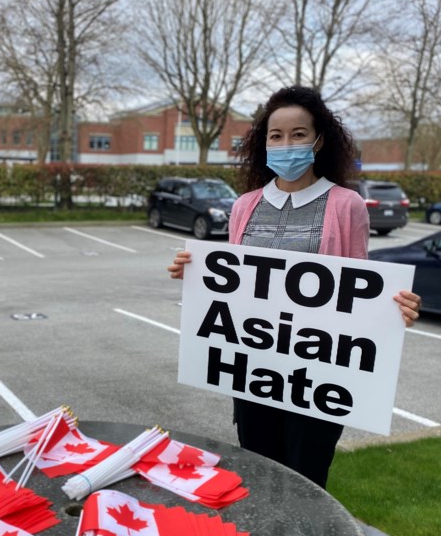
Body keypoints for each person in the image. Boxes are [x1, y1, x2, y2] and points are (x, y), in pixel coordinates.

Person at [166, 85, 421, 489]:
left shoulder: (346, 205)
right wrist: (198, 275)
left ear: (319, 141)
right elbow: (235, 284)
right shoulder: (244, 205)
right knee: (257, 478)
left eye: (298, 134)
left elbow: (358, 286)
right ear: (263, 142)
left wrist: (392, 310)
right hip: (255, 371)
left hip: (316, 378)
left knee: (307, 482)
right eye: (276, 135)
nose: (286, 144)